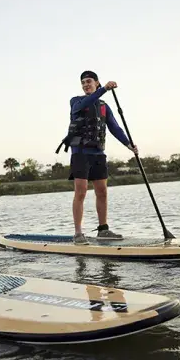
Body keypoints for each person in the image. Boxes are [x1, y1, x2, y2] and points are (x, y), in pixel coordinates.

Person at [56, 70, 139, 245]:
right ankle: (78, 233)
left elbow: (115, 128)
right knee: (81, 192)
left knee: (102, 192)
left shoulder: (104, 106)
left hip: (98, 154)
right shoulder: (76, 102)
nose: (86, 85)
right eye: (83, 82)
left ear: (96, 82)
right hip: (80, 154)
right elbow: (86, 102)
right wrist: (104, 90)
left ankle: (103, 230)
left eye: (89, 82)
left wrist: (129, 144)